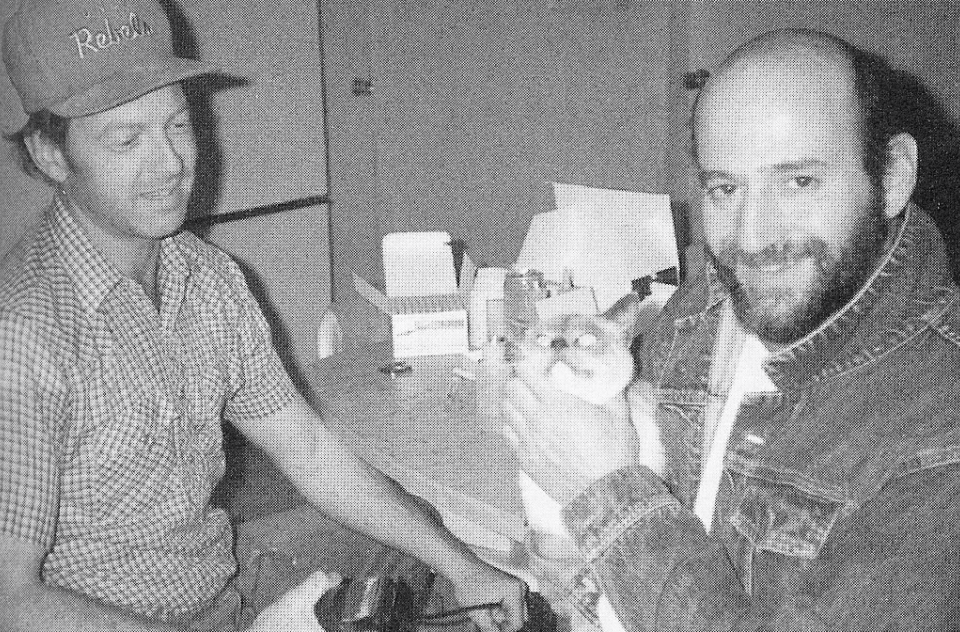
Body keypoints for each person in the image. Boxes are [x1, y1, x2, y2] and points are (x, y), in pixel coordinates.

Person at [0, 1, 524, 631]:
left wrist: (467, 569)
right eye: (126, 139)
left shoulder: (208, 277)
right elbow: (13, 598)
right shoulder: (23, 333)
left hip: (223, 578)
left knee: (430, 539)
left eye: (178, 125)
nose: (169, 163)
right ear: (51, 155)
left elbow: (306, 449)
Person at [503, 28, 960, 630]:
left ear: (894, 176)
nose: (752, 238)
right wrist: (564, 550)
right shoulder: (711, 305)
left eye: (800, 181)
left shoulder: (938, 431)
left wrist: (606, 493)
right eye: (726, 188)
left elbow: (610, 493)